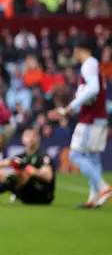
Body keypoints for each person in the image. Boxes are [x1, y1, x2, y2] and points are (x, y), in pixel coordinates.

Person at [49, 39, 111, 208]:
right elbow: (90, 95)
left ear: (79, 50)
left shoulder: (88, 64)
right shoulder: (94, 65)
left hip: (90, 119)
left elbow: (93, 89)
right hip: (98, 117)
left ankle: (103, 187)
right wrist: (67, 110)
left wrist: (70, 107)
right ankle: (94, 199)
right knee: (92, 157)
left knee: (75, 155)